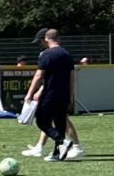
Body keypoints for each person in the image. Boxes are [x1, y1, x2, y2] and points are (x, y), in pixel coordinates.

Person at [23, 28, 77, 159]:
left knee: (42, 121)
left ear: (46, 39)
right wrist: (71, 95)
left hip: (50, 94)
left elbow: (38, 75)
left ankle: (62, 141)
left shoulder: (46, 55)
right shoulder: (66, 54)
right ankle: (57, 154)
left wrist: (29, 94)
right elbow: (72, 77)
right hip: (63, 94)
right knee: (60, 123)